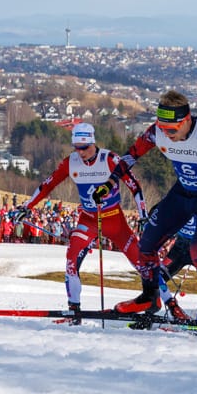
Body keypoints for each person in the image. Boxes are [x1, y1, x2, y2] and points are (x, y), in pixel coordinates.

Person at [97, 90, 197, 341]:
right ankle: (150, 297)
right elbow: (130, 155)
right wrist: (110, 182)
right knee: (146, 245)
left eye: (172, 129)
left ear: (187, 120)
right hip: (182, 193)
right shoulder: (156, 132)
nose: (167, 134)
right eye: (163, 128)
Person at [20, 123, 163, 325]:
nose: (81, 152)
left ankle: (165, 304)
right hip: (88, 219)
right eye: (77, 147)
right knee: (71, 258)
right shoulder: (71, 162)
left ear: (93, 142)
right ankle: (74, 311)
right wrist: (27, 206)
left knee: (142, 262)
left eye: (84, 147)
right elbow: (48, 184)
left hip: (114, 220)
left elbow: (135, 187)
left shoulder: (110, 159)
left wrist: (142, 215)